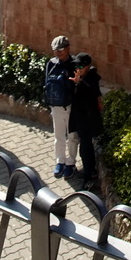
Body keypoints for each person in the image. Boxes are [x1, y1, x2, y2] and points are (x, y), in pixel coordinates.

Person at [45, 35, 78, 178]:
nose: (58, 53)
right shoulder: (51, 63)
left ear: (68, 48)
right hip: (56, 106)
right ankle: (60, 161)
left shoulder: (75, 63)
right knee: (58, 136)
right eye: (55, 50)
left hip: (71, 106)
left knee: (72, 137)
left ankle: (71, 163)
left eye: (60, 50)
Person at [68, 52, 103, 190]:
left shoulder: (91, 78)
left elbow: (92, 94)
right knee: (84, 148)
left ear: (88, 66)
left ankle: (88, 178)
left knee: (85, 149)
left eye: (81, 65)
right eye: (77, 65)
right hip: (81, 120)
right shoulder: (81, 77)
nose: (79, 68)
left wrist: (79, 83)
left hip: (88, 121)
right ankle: (90, 172)